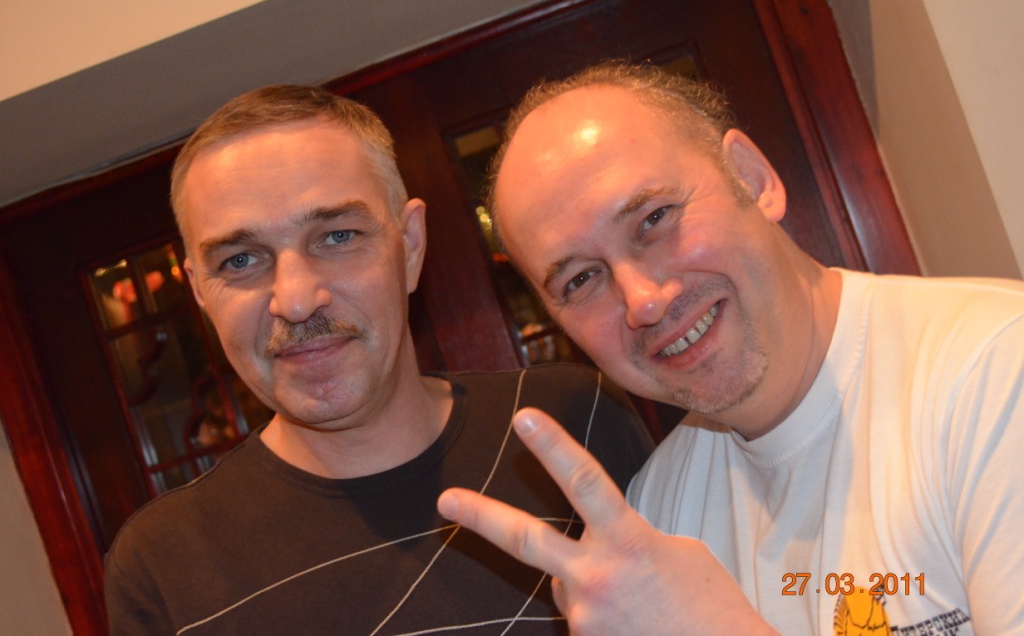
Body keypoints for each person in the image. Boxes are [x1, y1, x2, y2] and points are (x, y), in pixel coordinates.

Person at [437, 63, 1024, 635]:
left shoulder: (995, 368)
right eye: (581, 280)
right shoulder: (658, 512)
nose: (643, 301)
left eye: (654, 219)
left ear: (752, 179)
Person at [103, 84, 654, 635]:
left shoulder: (573, 422)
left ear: (409, 245)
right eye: (240, 260)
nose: (296, 300)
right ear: (200, 291)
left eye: (337, 236)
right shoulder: (162, 565)